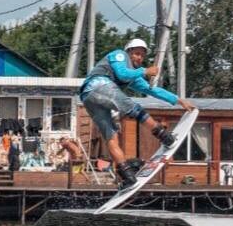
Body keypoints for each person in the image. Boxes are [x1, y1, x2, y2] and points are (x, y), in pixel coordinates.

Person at [80, 38, 195, 187]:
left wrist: (179, 100)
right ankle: (164, 136)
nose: (139, 58)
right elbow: (122, 74)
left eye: (142, 55)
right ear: (129, 52)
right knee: (135, 109)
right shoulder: (119, 55)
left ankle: (126, 175)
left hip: (87, 98)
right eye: (136, 53)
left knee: (111, 136)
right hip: (98, 86)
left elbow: (151, 90)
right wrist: (145, 71)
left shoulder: (134, 77)